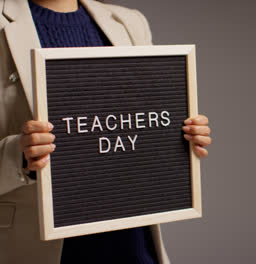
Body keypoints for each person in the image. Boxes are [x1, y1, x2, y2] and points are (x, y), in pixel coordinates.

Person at [0, 0, 212, 263]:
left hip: (131, 243)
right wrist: (17, 156)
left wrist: (181, 135)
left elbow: (145, 119)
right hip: (40, 249)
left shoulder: (129, 21)